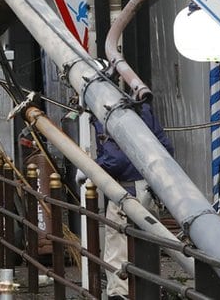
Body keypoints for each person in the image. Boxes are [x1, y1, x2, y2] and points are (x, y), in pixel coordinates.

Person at [78, 103, 174, 300]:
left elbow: (116, 160)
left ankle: (120, 293)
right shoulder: (143, 109)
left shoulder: (107, 115)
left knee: (118, 244)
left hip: (126, 189)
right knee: (148, 242)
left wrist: (91, 167)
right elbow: (166, 148)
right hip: (150, 186)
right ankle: (149, 289)